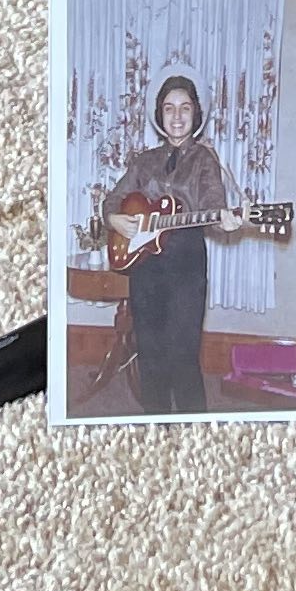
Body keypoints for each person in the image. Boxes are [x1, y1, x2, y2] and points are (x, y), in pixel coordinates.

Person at [97, 73, 233, 414]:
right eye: (169, 108)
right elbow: (112, 201)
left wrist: (225, 220)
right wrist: (114, 220)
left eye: (185, 108)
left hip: (186, 262)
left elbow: (214, 207)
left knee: (183, 352)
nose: (177, 116)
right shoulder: (144, 162)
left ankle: (194, 428)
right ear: (159, 114)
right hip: (146, 267)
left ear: (196, 113)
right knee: (150, 349)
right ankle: (155, 421)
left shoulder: (205, 160)